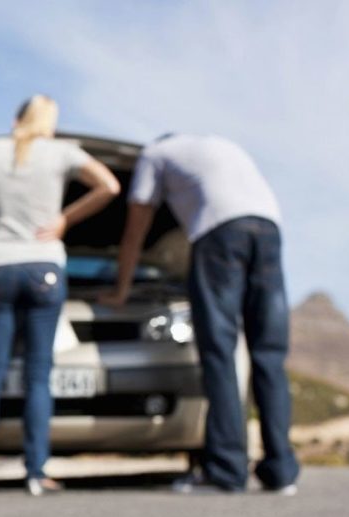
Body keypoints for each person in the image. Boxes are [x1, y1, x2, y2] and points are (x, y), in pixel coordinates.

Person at [0, 95, 120, 495]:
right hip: (44, 266)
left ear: (16, 119)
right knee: (38, 374)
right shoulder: (63, 152)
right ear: (51, 123)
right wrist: (65, 219)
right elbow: (109, 186)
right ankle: (36, 472)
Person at [100, 133, 300, 494]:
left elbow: (136, 225)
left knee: (219, 350)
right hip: (268, 228)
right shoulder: (221, 147)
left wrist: (121, 289)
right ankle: (281, 472)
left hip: (220, 232)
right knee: (269, 353)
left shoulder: (154, 154)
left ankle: (226, 470)